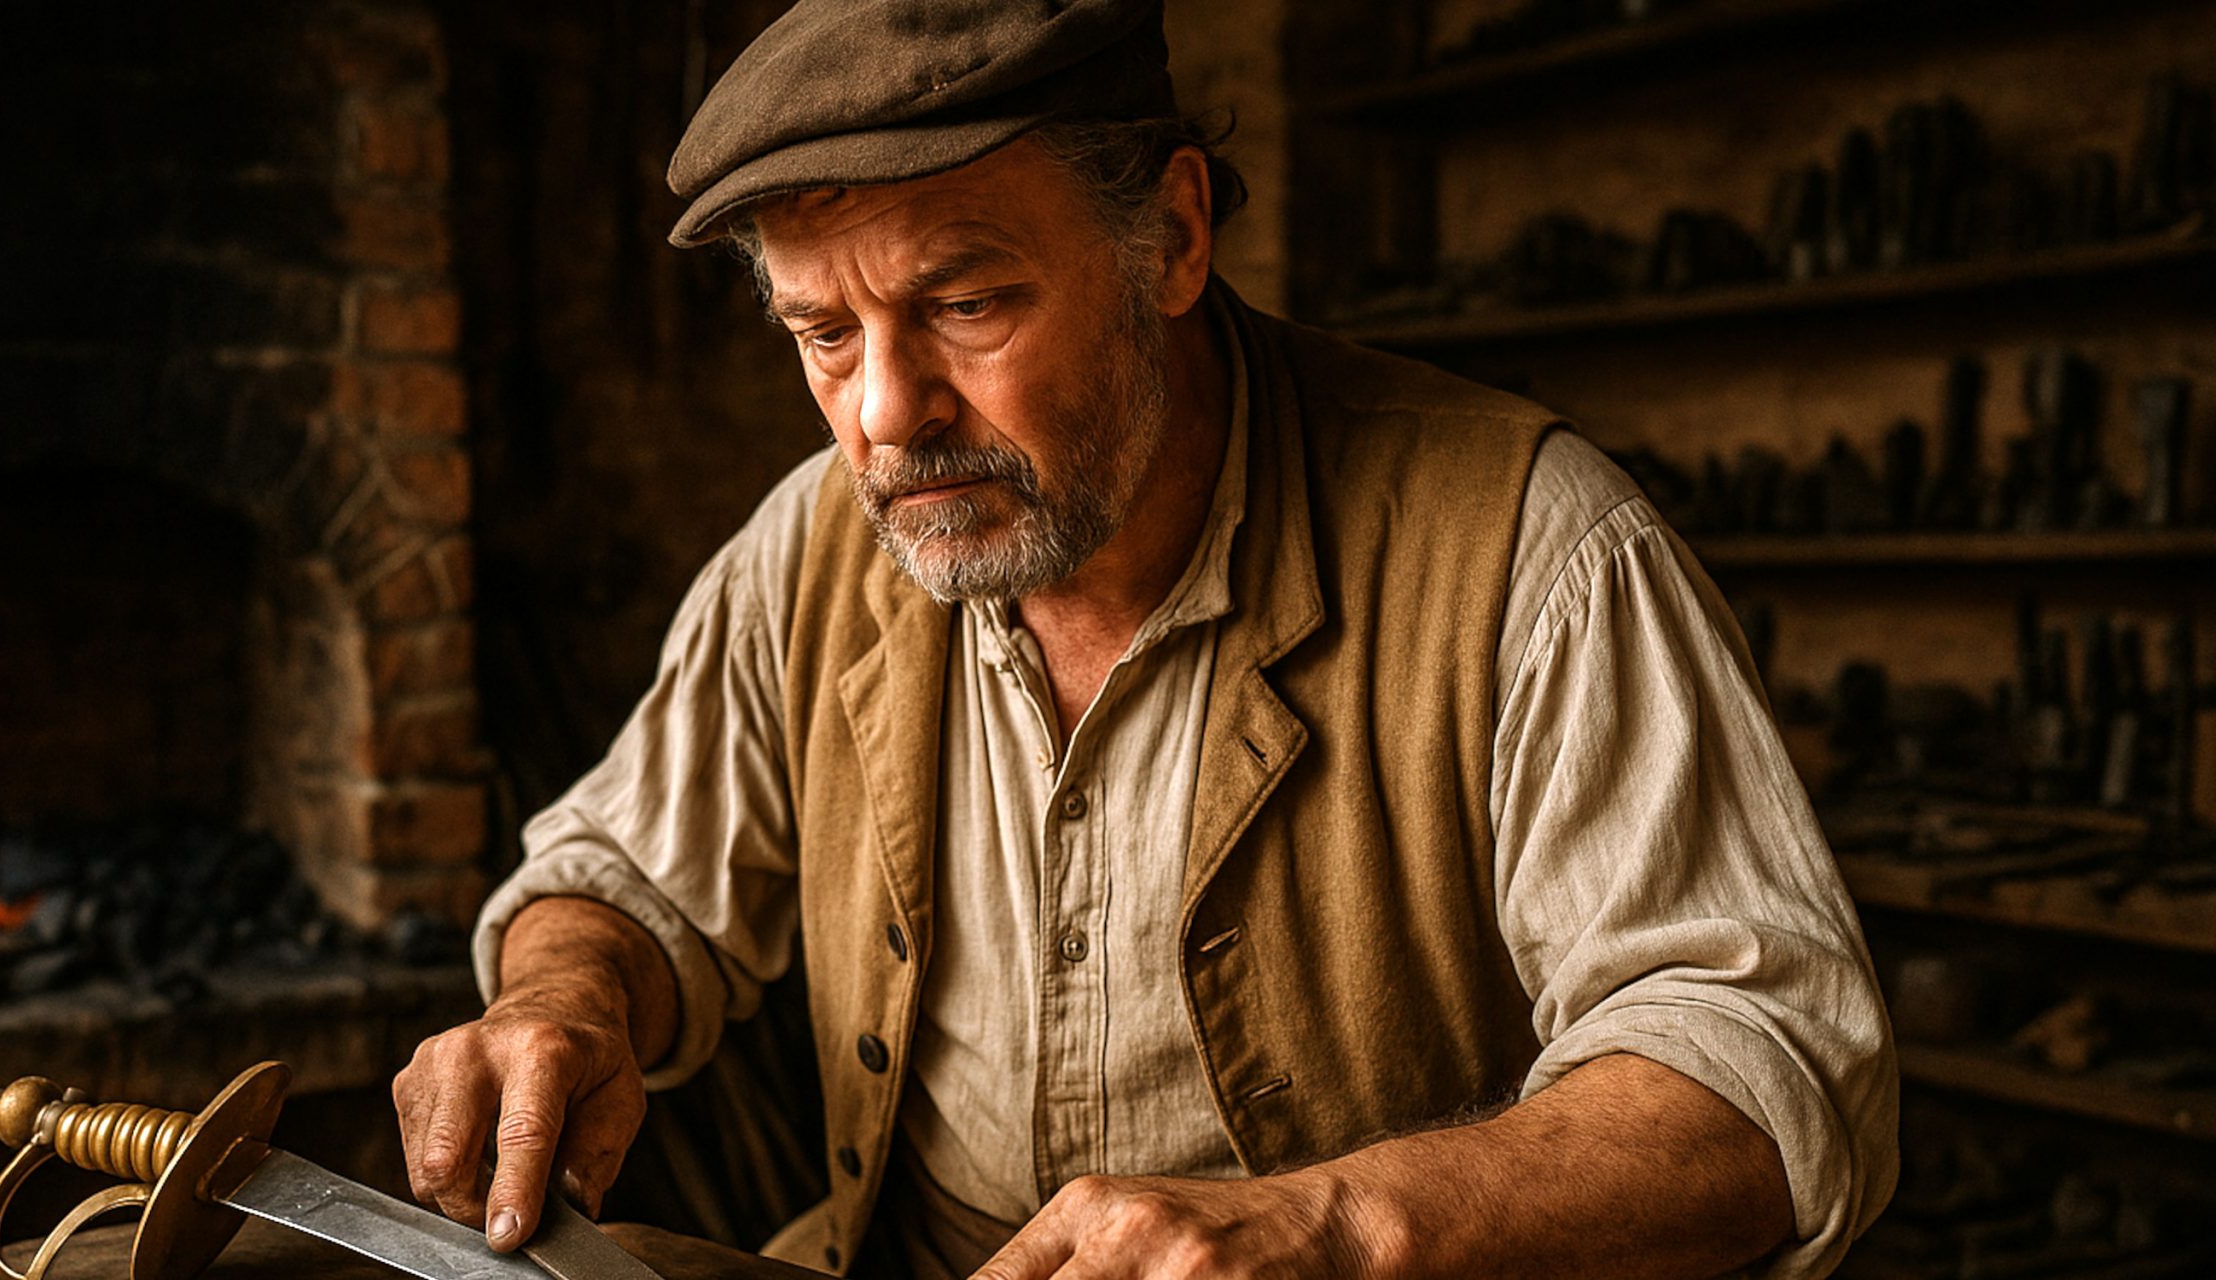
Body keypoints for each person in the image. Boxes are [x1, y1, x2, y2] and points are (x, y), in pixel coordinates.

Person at [392, 2, 1899, 1276]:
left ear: (1172, 236)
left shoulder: (1529, 547)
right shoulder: (819, 543)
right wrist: (562, 998)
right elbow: (627, 878)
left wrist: (1331, 1228)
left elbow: (1761, 1064)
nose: (884, 416)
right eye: (822, 334)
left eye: (968, 301)